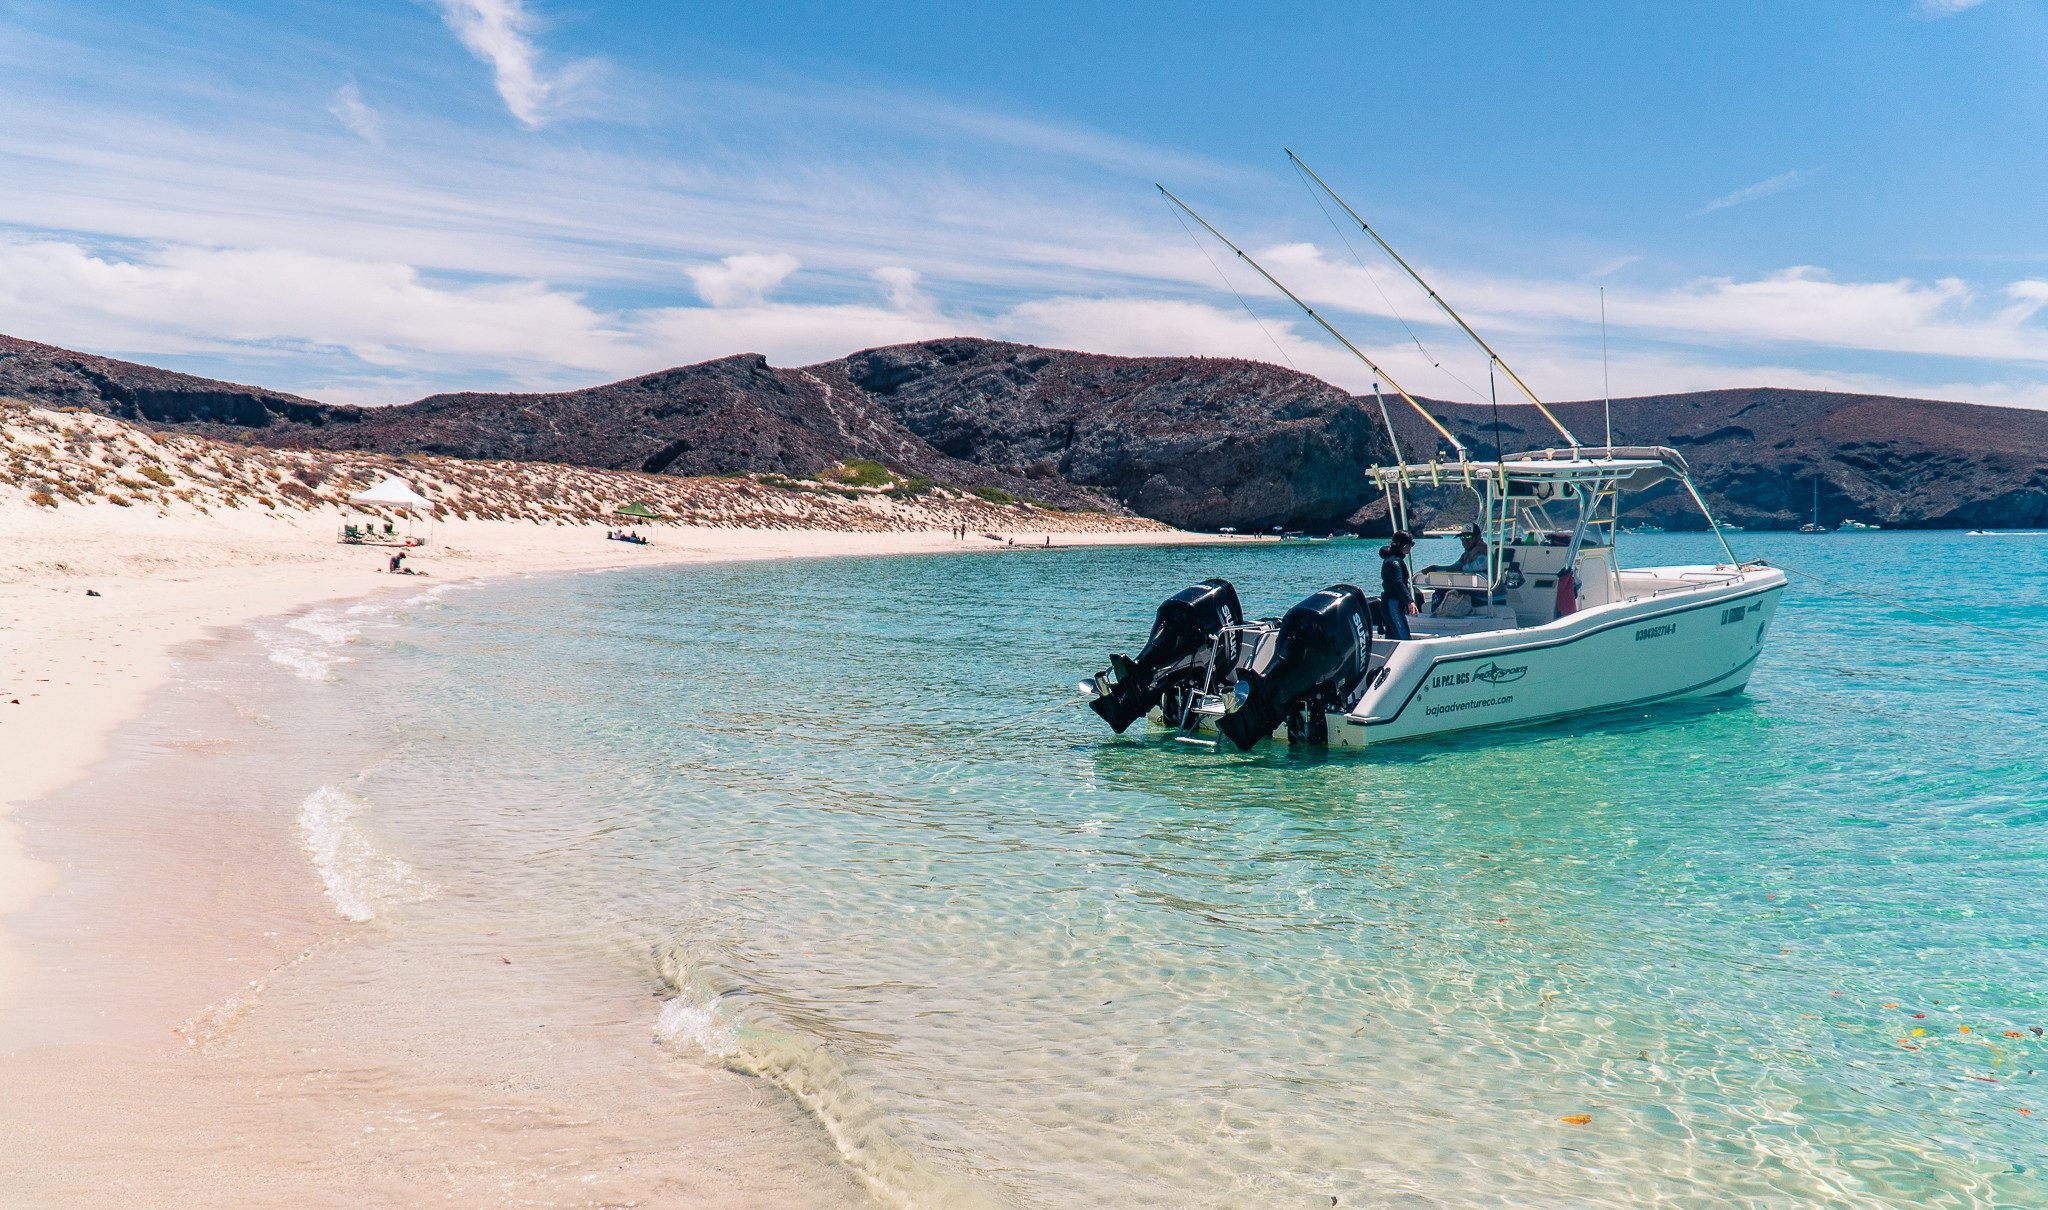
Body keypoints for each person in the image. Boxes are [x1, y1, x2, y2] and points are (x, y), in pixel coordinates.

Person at [1380, 531, 1418, 639]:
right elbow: (1399, 582)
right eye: (1412, 544)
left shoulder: (1392, 559)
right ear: (1406, 545)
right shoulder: (1395, 562)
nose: (1411, 548)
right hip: (1393, 603)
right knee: (1403, 637)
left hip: (1390, 603)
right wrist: (1410, 601)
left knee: (1392, 636)